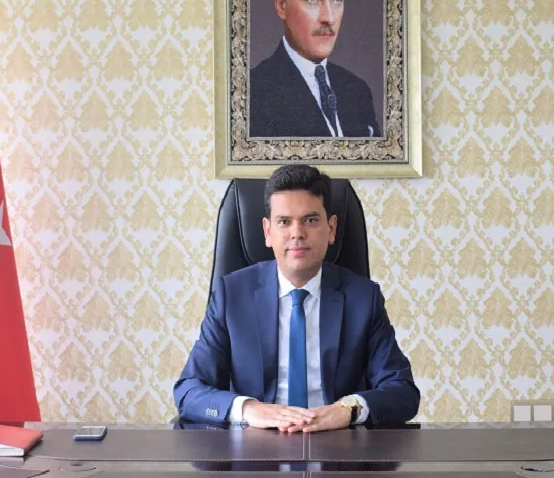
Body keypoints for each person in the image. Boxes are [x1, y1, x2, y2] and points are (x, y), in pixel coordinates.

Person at [173, 164, 418, 432]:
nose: (297, 233)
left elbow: (402, 391)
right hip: (254, 444)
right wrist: (249, 409)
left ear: (331, 229)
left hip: (336, 442)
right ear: (267, 232)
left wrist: (347, 409)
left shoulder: (363, 298)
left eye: (310, 220)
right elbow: (189, 390)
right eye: (284, 222)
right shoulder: (231, 296)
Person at [249, 0, 381, 139]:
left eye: (337, 0)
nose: (329, 18)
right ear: (281, 4)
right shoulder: (253, 94)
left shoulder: (356, 91)